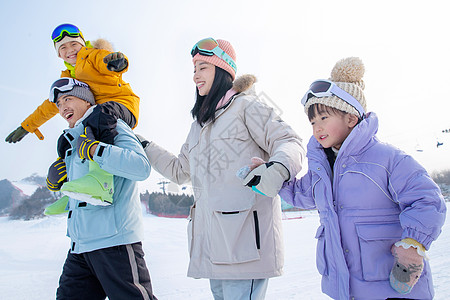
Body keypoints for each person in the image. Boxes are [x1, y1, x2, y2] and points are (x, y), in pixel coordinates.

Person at [136, 38, 305, 299]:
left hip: (245, 247)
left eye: (202, 67)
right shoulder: (199, 126)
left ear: (223, 69)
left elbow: (289, 141)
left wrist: (278, 169)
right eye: (193, 69)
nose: (195, 76)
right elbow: (180, 170)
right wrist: (144, 145)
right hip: (214, 247)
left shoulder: (248, 106)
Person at [272, 57, 446, 299]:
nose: (316, 127)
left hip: (391, 285)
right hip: (347, 288)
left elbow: (427, 199)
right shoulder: (322, 168)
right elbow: (301, 194)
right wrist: (271, 176)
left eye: (324, 118)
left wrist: (412, 246)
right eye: (312, 121)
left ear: (351, 118)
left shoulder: (386, 158)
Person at [6, 23, 141, 207]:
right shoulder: (69, 77)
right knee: (68, 139)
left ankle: (101, 180)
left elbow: (106, 60)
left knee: (100, 115)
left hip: (122, 106)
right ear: (59, 54)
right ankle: (71, 193)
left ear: (82, 44)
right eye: (63, 48)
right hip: (95, 115)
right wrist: (26, 126)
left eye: (74, 45)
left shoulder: (92, 56)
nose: (70, 50)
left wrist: (117, 62)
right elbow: (49, 106)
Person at [46, 77, 157, 299]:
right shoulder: (71, 140)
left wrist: (97, 150)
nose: (63, 108)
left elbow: (141, 167)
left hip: (115, 243)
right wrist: (54, 182)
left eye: (68, 98)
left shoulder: (111, 124)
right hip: (79, 247)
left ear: (87, 100)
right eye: (58, 104)